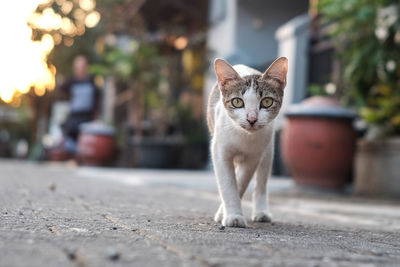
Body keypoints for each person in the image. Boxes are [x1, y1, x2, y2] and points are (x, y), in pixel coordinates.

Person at [59, 55, 100, 154]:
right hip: (74, 116)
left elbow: (97, 100)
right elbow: (62, 89)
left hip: (87, 117)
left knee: (86, 141)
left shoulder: (92, 81)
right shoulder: (72, 81)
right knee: (68, 141)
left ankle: (81, 157)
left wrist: (96, 117)